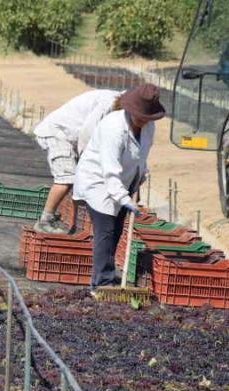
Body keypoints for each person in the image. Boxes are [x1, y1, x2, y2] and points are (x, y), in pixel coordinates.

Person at [72, 83, 165, 291]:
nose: (143, 121)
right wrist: (123, 199)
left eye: (147, 117)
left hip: (123, 183)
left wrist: (138, 182)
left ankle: (105, 277)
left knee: (116, 231)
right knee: (105, 230)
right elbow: (110, 170)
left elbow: (141, 157)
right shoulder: (114, 128)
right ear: (130, 109)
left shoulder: (148, 126)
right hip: (98, 182)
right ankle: (101, 284)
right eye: (140, 116)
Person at [33, 89, 122, 233]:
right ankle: (45, 220)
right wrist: (86, 162)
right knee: (66, 179)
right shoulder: (107, 104)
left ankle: (77, 226)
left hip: (70, 137)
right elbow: (86, 135)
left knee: (80, 182)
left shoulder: (118, 108)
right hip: (58, 133)